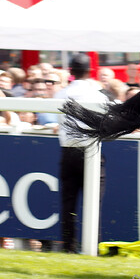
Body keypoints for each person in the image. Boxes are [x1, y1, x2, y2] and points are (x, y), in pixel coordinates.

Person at [56, 53, 108, 253]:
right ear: (89, 71)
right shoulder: (98, 95)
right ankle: (93, 247)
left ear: (70, 71)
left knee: (68, 202)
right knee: (94, 203)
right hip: (91, 152)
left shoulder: (60, 94)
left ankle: (68, 247)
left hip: (68, 152)